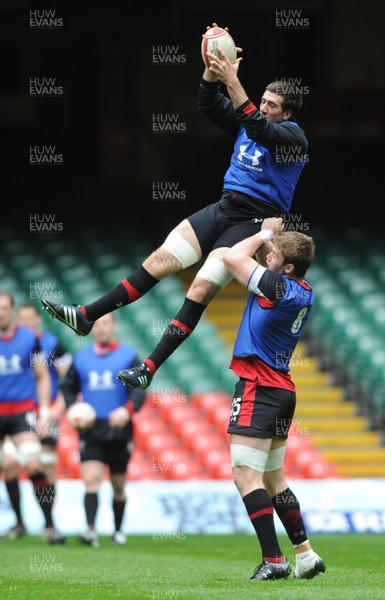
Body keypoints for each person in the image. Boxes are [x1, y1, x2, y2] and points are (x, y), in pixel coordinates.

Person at [41, 22, 308, 392]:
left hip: (251, 222)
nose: (263, 107)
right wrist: (212, 72)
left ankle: (149, 367)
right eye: (262, 100)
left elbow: (258, 127)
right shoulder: (253, 120)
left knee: (198, 291)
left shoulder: (293, 136)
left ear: (288, 114)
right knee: (158, 262)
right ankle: (86, 316)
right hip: (222, 208)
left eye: (272, 105)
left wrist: (233, 78)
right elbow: (207, 103)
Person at [220, 216, 325, 581]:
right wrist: (271, 241)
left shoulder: (279, 287)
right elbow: (251, 260)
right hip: (282, 389)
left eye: (274, 254)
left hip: (258, 386)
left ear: (288, 267)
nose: (267, 255)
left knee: (245, 477)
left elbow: (231, 258)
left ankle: (274, 560)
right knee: (273, 479)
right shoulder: (304, 289)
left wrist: (264, 231)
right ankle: (305, 554)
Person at [59, 313, 147, 547]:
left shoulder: (128, 356)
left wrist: (127, 410)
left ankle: (118, 531)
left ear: (114, 325)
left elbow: (140, 388)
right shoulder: (80, 358)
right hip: (91, 428)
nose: (101, 328)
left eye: (106, 323)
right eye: (96, 324)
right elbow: (67, 387)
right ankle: (90, 530)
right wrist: (73, 407)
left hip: (119, 428)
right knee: (92, 479)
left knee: (118, 485)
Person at [2, 302, 72, 539]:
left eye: (30, 318)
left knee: (42, 465)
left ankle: (50, 524)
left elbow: (68, 379)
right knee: (9, 464)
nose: (26, 322)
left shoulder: (46, 342)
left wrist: (53, 409)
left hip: (33, 411)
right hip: (13, 412)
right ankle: (20, 523)